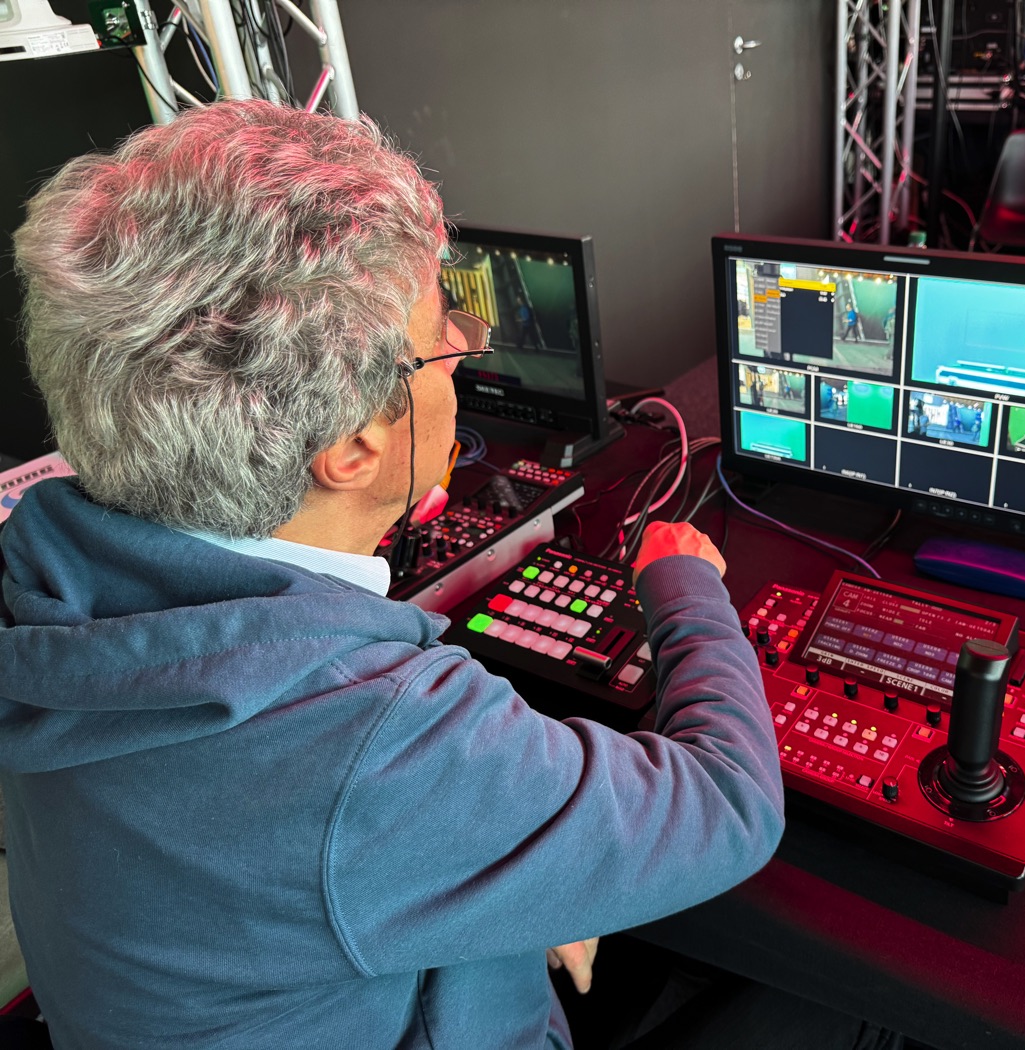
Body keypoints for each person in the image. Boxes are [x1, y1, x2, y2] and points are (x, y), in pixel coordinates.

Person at [0, 100, 789, 1050]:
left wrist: (503, 876)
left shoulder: (37, 588)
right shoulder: (372, 735)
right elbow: (728, 806)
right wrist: (685, 586)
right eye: (443, 339)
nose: (463, 349)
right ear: (353, 446)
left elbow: (297, 865)